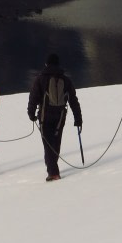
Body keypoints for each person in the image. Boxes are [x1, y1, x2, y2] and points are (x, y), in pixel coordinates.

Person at [27, 53, 82, 182]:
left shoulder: (40, 79)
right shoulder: (66, 80)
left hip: (45, 116)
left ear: (46, 64)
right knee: (55, 142)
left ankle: (53, 172)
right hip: (60, 116)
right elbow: (73, 100)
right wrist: (78, 118)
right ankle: (53, 167)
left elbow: (33, 98)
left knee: (48, 144)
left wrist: (31, 113)